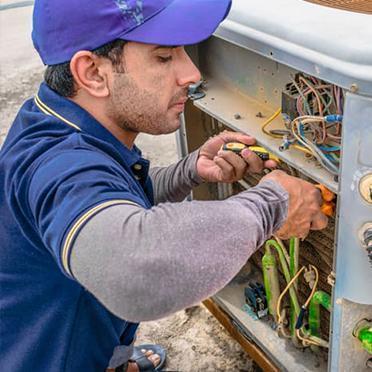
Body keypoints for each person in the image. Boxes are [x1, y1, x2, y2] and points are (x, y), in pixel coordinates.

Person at [0, 0, 328, 371]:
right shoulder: (59, 164)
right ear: (92, 72)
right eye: (163, 57)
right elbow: (132, 270)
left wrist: (187, 173)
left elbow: (112, 195)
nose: (191, 73)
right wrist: (274, 205)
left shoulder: (57, 118)